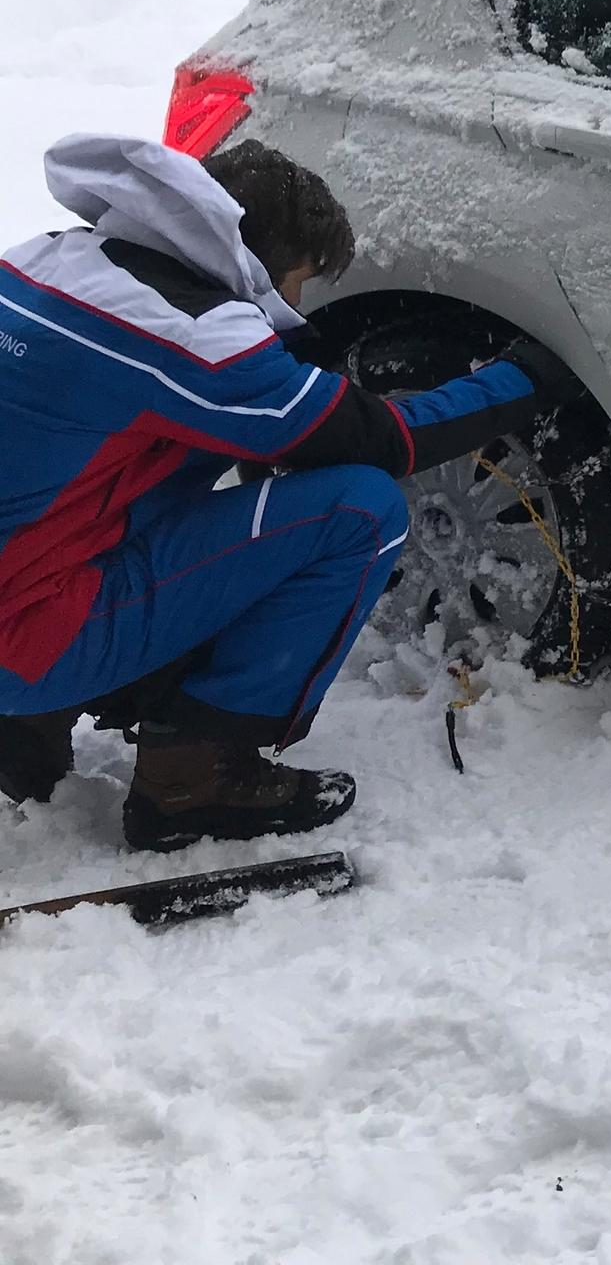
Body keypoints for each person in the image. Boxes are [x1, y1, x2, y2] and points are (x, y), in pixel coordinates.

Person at [0, 134, 575, 849]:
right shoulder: (190, 334)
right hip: (24, 640)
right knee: (359, 512)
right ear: (261, 261)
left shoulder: (41, 260)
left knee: (134, 456)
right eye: (300, 280)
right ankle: (195, 777)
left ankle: (19, 731)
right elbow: (379, 438)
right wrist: (526, 379)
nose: (299, 306)